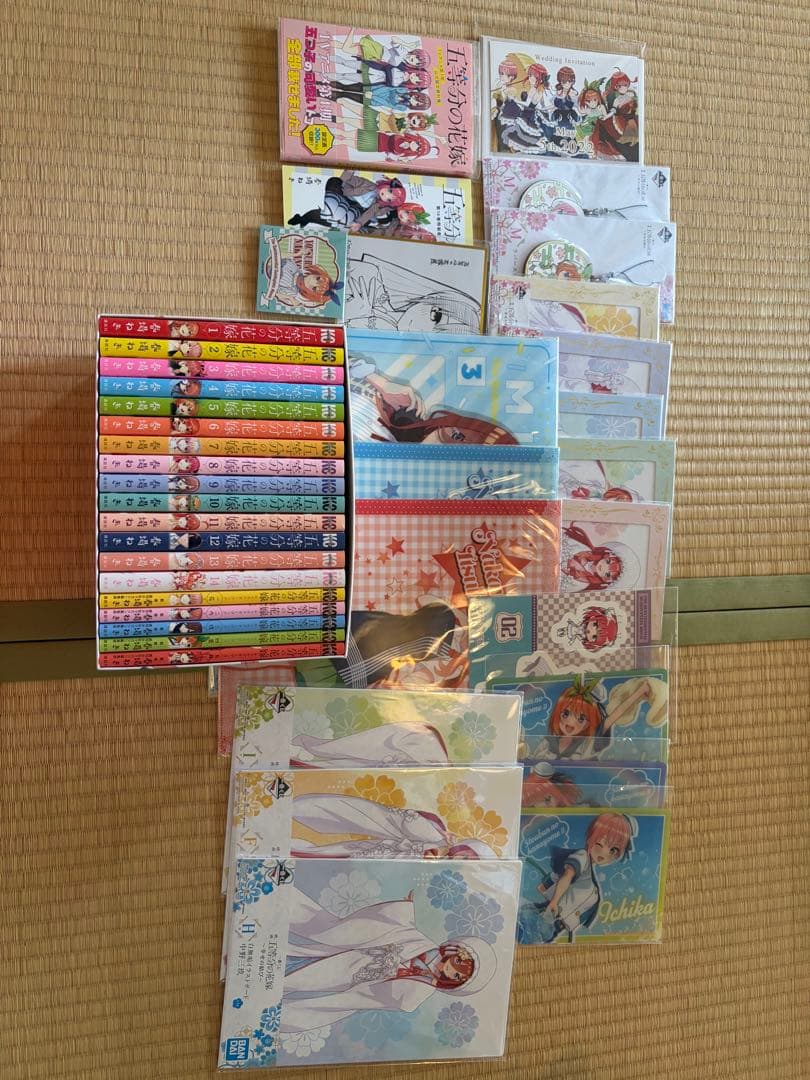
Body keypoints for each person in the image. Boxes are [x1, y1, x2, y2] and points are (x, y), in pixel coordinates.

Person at [277, 887, 498, 1033]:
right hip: (341, 952)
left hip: (347, 979)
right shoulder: (417, 940)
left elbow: (361, 1000)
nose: (451, 971)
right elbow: (397, 924)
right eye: (457, 963)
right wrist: (404, 909)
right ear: (454, 951)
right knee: (302, 950)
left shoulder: (417, 994)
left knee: (304, 982)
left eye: (457, 976)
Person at [529, 812, 636, 942]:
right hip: (546, 916)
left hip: (554, 928)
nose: (604, 853)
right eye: (599, 843)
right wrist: (554, 901)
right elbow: (567, 876)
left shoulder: (592, 882)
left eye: (613, 850)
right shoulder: (583, 857)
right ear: (591, 838)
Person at [288, 793, 498, 858]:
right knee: (344, 814)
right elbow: (407, 822)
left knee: (330, 854)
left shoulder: (438, 856)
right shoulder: (437, 834)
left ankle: (298, 848)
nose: (458, 860)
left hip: (377, 855)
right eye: (465, 856)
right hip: (382, 839)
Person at [524, 673, 653, 760]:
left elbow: (615, 715)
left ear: (588, 723)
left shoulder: (587, 744)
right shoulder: (547, 743)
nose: (571, 722)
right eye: (566, 714)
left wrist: (639, 692)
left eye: (581, 719)